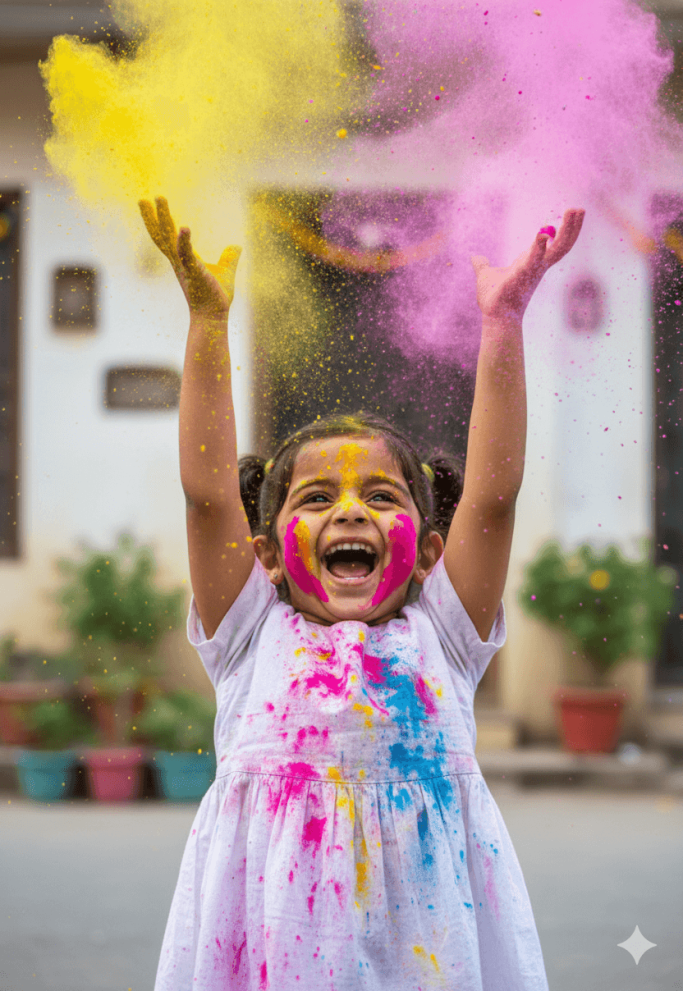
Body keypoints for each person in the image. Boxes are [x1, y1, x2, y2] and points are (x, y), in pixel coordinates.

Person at [140, 196, 584, 990]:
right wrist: (207, 323)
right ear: (266, 556)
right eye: (315, 500)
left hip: (427, 956)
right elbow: (208, 496)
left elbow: (491, 498)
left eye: (382, 497)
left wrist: (503, 324)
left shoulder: (442, 633)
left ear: (429, 553)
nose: (349, 509)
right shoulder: (249, 634)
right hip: (274, 954)